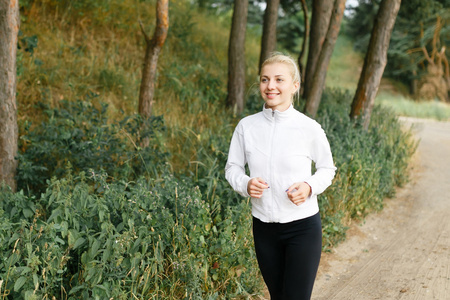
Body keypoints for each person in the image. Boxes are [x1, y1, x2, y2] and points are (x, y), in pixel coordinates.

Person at [225, 53, 336, 300]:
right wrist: (245, 183)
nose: (270, 86)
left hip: (303, 227)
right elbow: (232, 167)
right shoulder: (246, 127)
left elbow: (328, 169)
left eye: (279, 79)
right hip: (264, 227)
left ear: (294, 86)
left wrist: (309, 186)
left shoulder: (309, 128)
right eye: (265, 79)